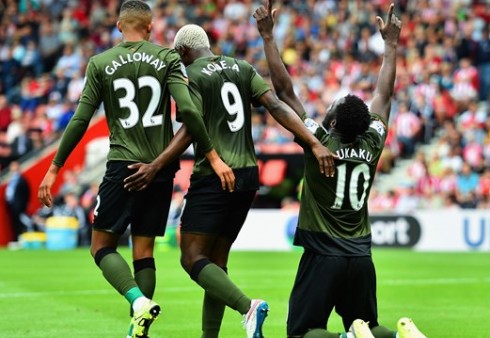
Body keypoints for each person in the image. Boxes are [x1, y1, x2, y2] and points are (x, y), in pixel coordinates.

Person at [123, 24, 336, 338]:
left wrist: (155, 166)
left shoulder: (190, 76)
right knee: (216, 262)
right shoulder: (242, 67)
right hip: (249, 176)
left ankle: (247, 306)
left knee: (192, 257)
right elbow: (277, 105)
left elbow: (188, 131)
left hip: (215, 176)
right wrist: (314, 143)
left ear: (182, 52)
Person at [37, 1, 234, 337]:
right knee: (143, 252)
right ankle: (138, 327)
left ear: (118, 26)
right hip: (160, 169)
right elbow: (188, 109)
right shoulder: (167, 57)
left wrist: (55, 167)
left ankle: (137, 302)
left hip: (123, 167)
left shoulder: (100, 63)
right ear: (150, 26)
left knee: (101, 247)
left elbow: (81, 119)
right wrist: (213, 155)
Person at [255, 2, 426, 338]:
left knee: (303, 333)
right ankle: (398, 336)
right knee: (370, 327)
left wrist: (268, 38)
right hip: (360, 255)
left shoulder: (319, 141)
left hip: (323, 254)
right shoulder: (373, 142)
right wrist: (390, 46)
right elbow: (384, 94)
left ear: (332, 121)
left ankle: (348, 337)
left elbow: (285, 92)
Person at [5, 161, 30, 242]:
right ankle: (16, 239)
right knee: (13, 223)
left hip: (20, 207)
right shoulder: (11, 180)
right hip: (11, 206)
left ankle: (22, 239)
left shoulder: (22, 180)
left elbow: (26, 193)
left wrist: (23, 205)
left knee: (20, 223)